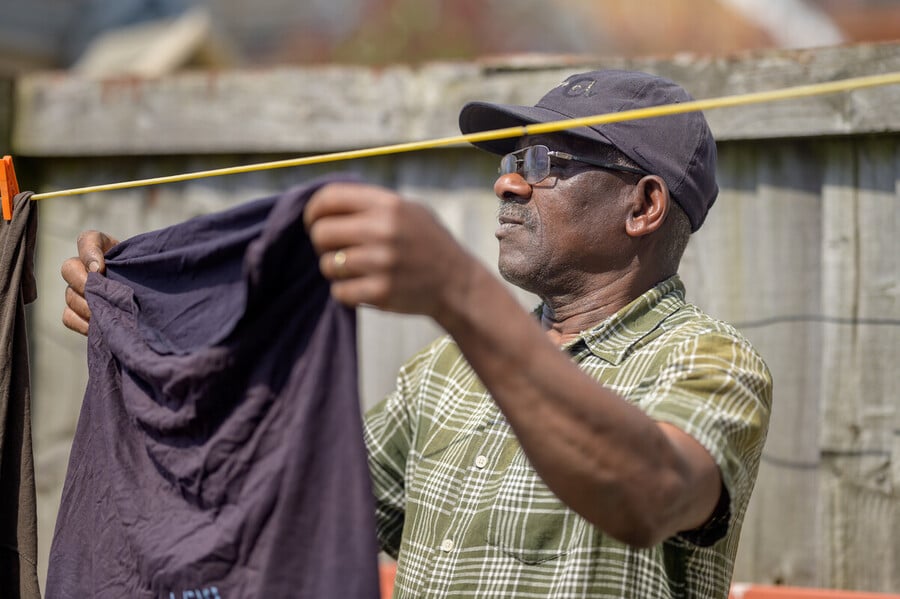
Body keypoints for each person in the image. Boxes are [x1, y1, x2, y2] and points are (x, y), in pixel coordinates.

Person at [62, 69, 772, 598]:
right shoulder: (444, 372)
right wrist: (153, 331)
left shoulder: (709, 362)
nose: (507, 185)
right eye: (508, 161)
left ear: (644, 205)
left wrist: (459, 292)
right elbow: (283, 496)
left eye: (542, 163)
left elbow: (647, 494)